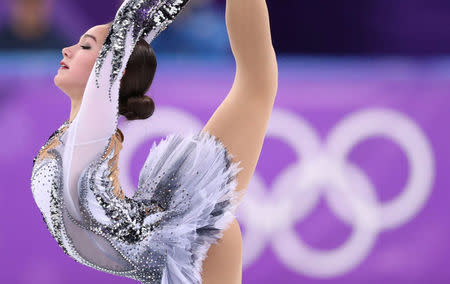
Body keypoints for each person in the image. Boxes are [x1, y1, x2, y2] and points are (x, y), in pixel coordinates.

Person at [30, 0, 277, 283]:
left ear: (113, 71)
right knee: (256, 84)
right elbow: (131, 31)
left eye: (85, 46)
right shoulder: (73, 134)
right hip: (159, 241)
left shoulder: (92, 130)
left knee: (256, 85)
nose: (67, 50)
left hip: (186, 242)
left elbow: (131, 20)